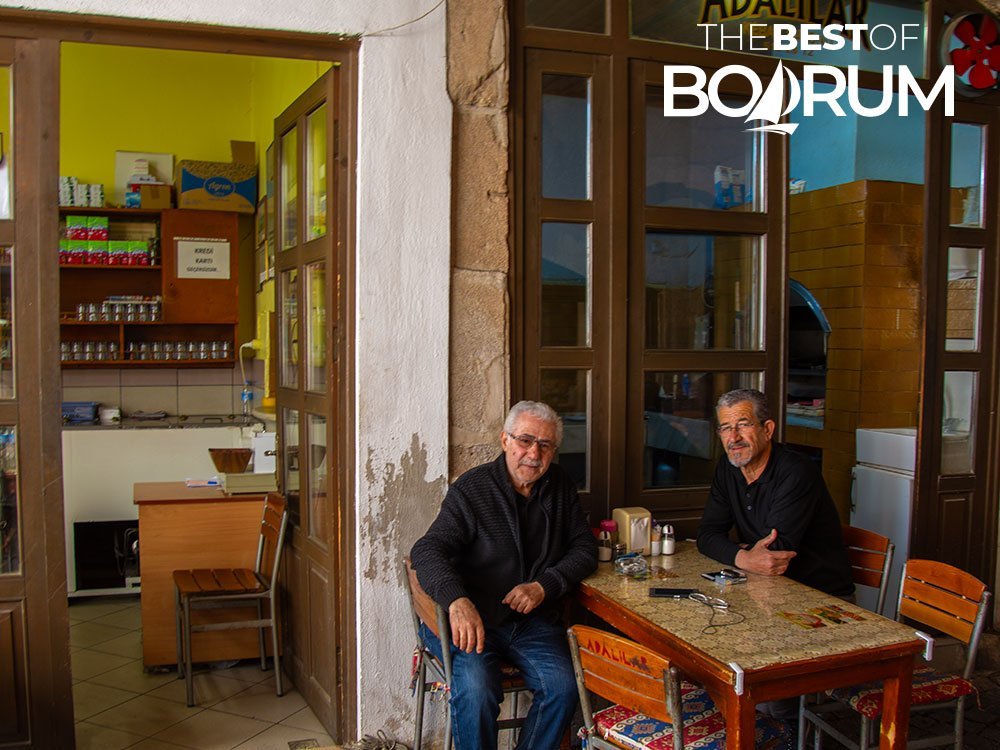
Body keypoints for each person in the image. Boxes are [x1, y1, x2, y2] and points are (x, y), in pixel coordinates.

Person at [410, 400, 597, 750]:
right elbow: (427, 550)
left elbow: (584, 549)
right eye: (525, 440)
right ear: (505, 440)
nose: (533, 453)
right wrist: (457, 600)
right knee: (477, 690)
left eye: (545, 445)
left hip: (530, 622)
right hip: (474, 622)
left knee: (564, 686)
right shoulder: (473, 490)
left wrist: (546, 585)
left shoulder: (559, 486)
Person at [697, 388, 854, 729]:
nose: (734, 437)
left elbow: (776, 557)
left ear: (767, 430)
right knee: (710, 653)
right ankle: (757, 727)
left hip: (821, 600)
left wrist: (748, 558)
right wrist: (742, 557)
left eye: (743, 425)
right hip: (764, 595)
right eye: (725, 428)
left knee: (767, 691)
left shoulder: (796, 472)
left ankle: (782, 732)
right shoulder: (729, 468)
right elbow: (708, 535)